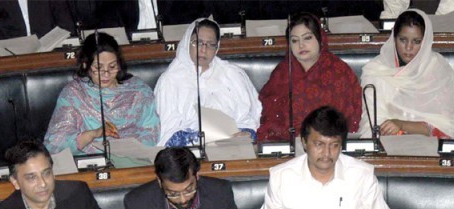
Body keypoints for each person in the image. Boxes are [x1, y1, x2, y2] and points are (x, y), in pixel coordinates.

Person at [248, 106, 398, 209]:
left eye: (334, 145)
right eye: (319, 144)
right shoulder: (282, 177)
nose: (326, 153)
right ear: (304, 142)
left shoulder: (361, 176)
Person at [44, 32, 159, 155]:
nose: (106, 74)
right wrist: (93, 134)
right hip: (89, 163)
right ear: (85, 65)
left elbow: (152, 132)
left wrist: (125, 150)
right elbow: (55, 143)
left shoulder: (139, 91)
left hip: (132, 160)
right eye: (98, 68)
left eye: (112, 66)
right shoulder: (74, 94)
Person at [154, 18, 261, 146]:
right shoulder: (170, 80)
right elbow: (165, 130)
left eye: (210, 44)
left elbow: (254, 115)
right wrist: (197, 139)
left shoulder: (233, 74)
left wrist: (248, 133)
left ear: (217, 47)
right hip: (187, 153)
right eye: (198, 42)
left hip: (231, 147)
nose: (203, 50)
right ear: (188, 41)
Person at [257, 12, 362, 142]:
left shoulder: (338, 72)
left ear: (320, 38)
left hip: (328, 145)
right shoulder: (282, 73)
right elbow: (269, 117)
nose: (301, 45)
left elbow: (347, 117)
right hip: (285, 145)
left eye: (307, 38)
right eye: (294, 40)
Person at [358, 9, 454, 139]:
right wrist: (396, 131)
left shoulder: (438, 68)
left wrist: (402, 125)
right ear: (394, 38)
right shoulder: (376, 70)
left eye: (416, 41)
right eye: (403, 40)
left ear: (425, 41)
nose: (409, 48)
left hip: (428, 145)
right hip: (386, 144)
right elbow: (373, 123)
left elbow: (446, 127)